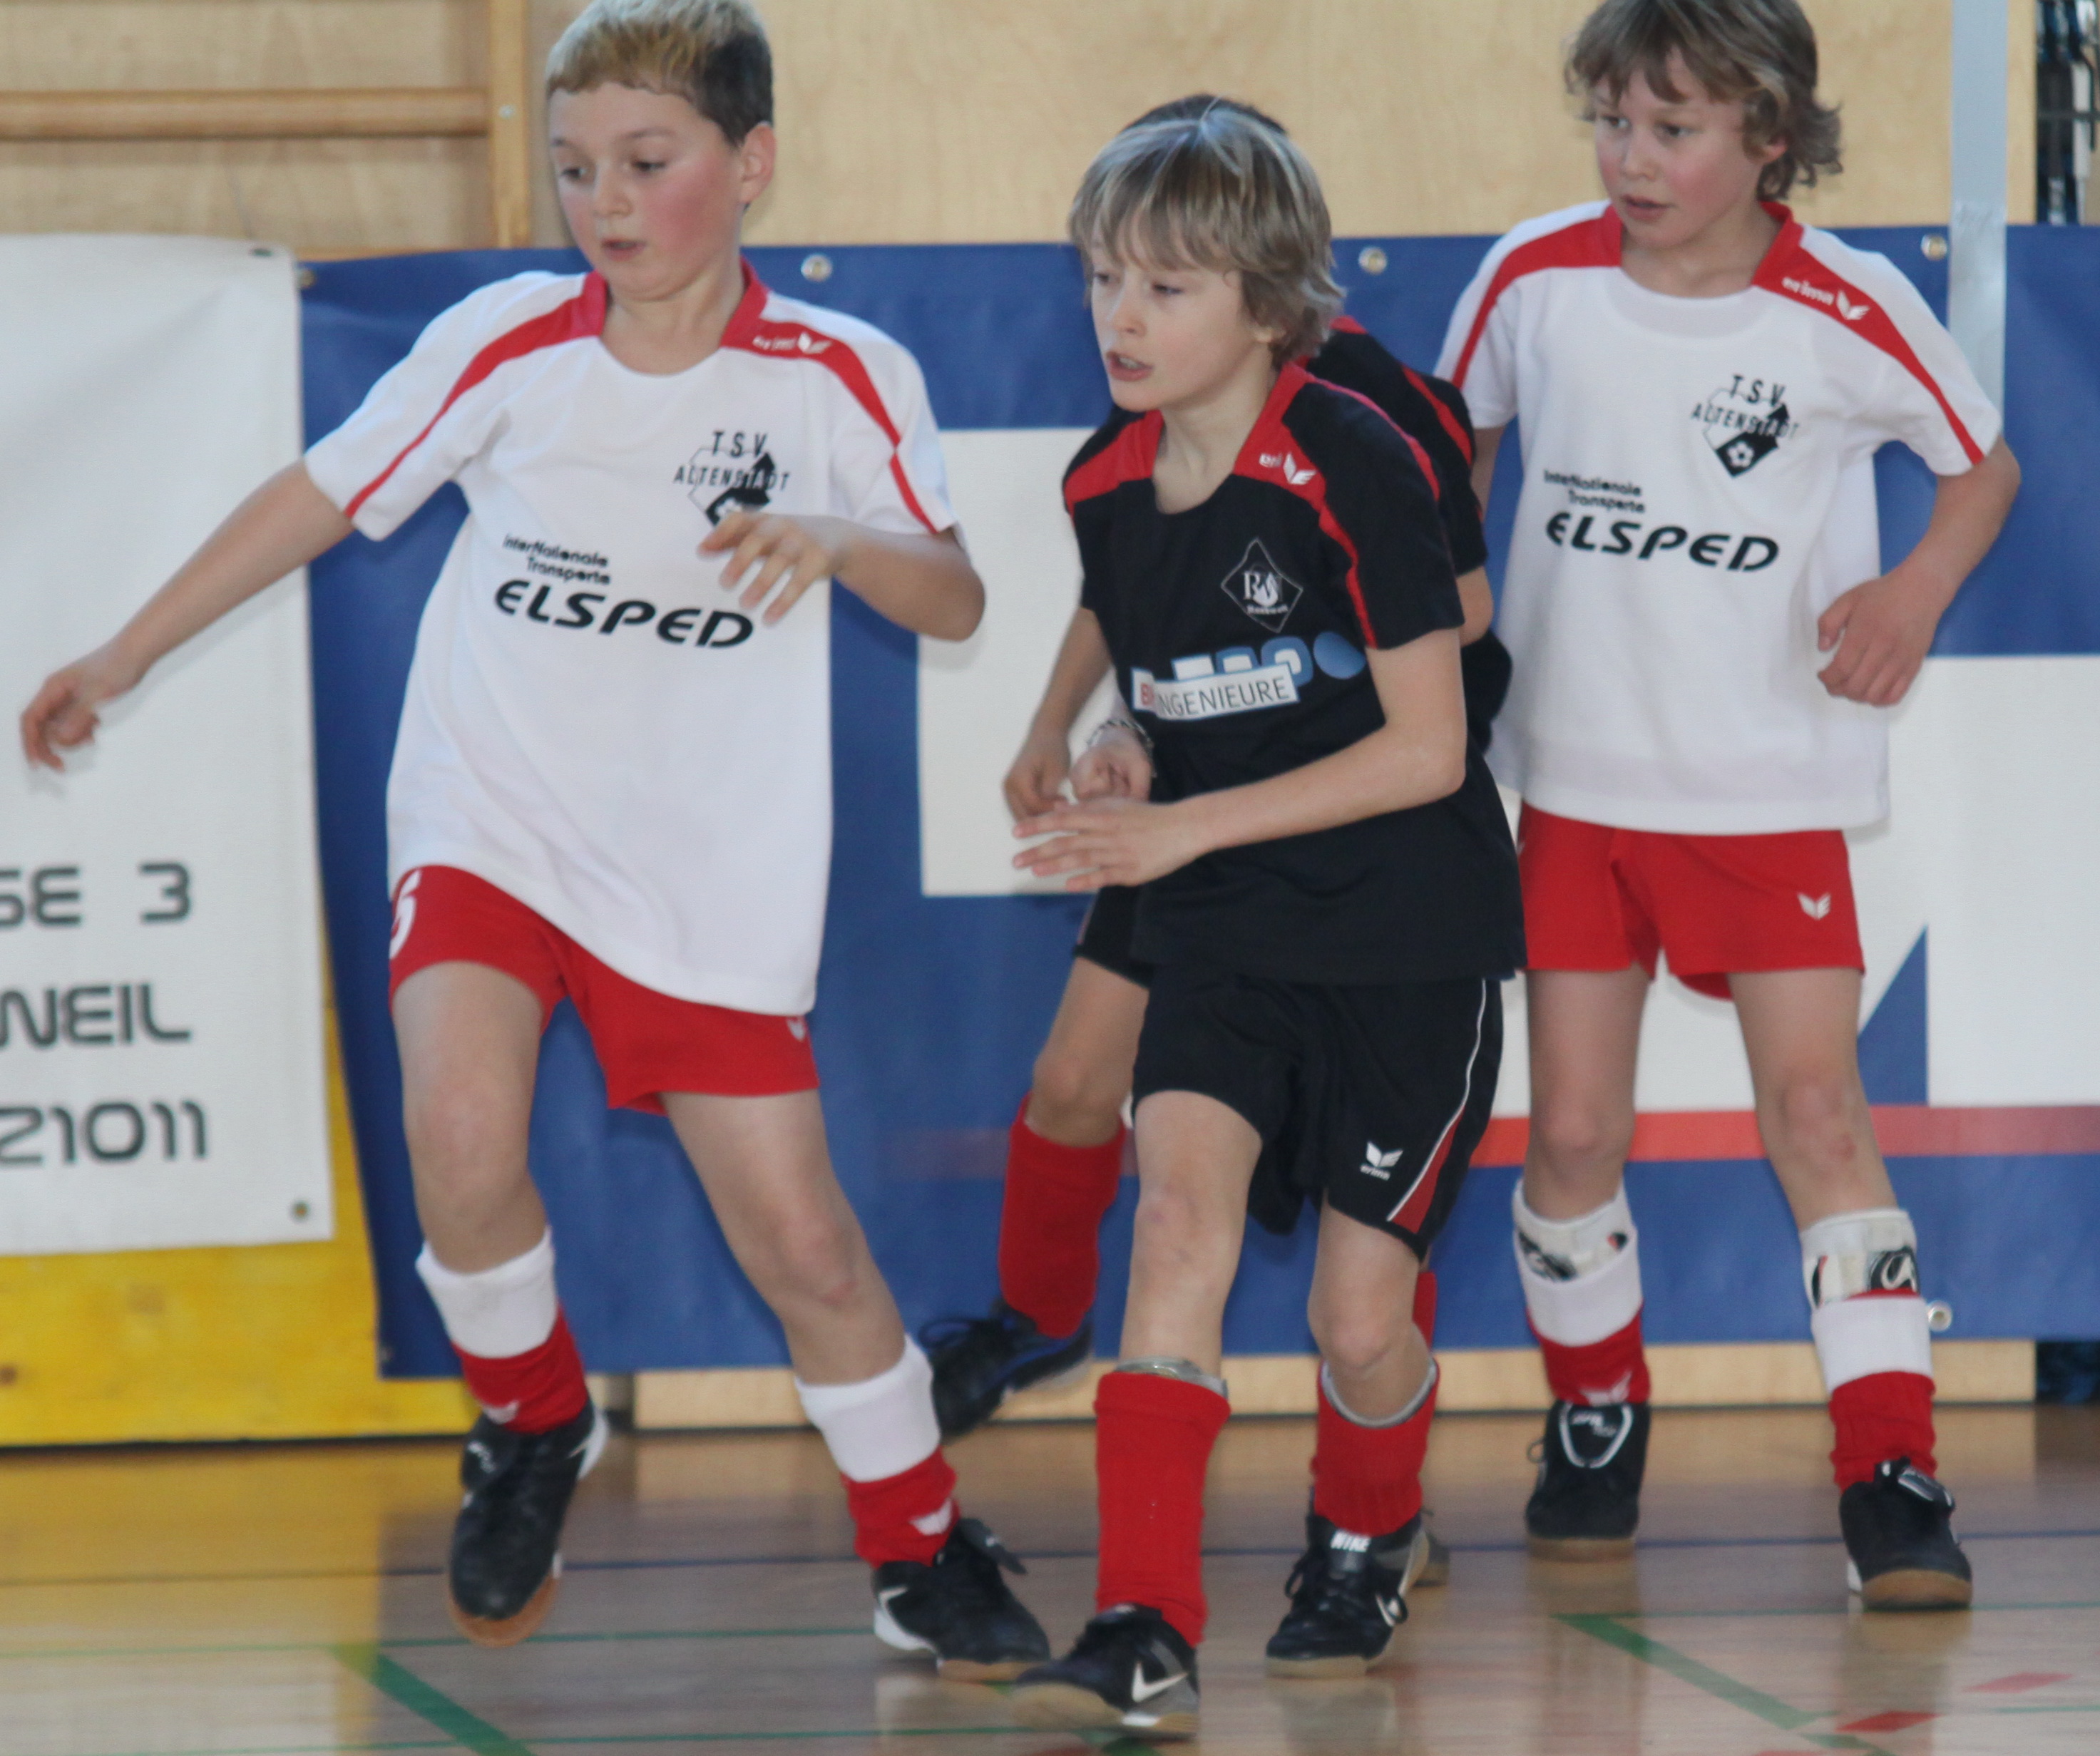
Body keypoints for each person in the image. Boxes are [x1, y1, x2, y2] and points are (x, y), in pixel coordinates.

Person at [19, 0, 1048, 1678]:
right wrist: (125, 650)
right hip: (489, 813)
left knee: (803, 1242)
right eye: (574, 169)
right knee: (459, 1125)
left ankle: (920, 1545)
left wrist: (843, 536)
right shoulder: (506, 343)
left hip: (705, 867)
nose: (605, 201)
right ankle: (533, 1416)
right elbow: (321, 493)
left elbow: (956, 597)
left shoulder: (843, 375)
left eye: (645, 162)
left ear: (752, 164)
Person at [1434, 0, 2018, 1606]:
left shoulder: (1846, 301)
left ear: (1769, 137)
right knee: (1570, 1130)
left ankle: (1889, 1471)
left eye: (1672, 129)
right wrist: (1451, 618)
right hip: (1573, 786)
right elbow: (1446, 448)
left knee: (1818, 1116)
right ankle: (1595, 1416)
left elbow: (1981, 467)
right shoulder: (1532, 279)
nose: (1630, 158)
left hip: (1766, 792)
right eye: (1611, 122)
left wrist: (1912, 590)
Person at [1005, 107, 1525, 1737]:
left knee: (1357, 1320)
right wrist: (1120, 742)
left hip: (1406, 936)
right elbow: (1173, 688)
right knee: (1174, 1224)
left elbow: (1427, 748)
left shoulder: (1352, 455)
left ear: (1269, 300)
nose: (1122, 316)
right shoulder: (1104, 481)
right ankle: (1143, 1621)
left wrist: (1175, 822)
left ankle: (1370, 1527)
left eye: (1166, 286)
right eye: (1104, 277)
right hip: (1226, 926)